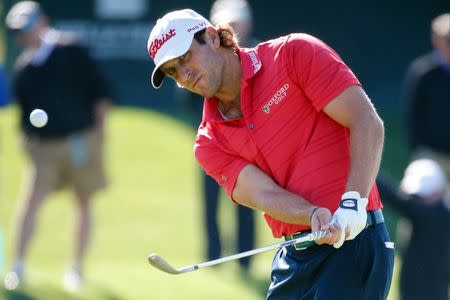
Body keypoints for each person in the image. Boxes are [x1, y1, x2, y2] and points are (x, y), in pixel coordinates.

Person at [147, 9, 393, 299]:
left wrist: (353, 202)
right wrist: (311, 213)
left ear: (212, 37)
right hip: (293, 259)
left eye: (185, 57)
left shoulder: (294, 54)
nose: (184, 75)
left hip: (354, 243)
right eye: (173, 70)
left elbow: (366, 121)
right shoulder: (209, 142)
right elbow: (264, 195)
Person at [4, 1, 112, 292]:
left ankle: (75, 269)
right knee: (30, 203)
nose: (22, 36)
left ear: (43, 22)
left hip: (81, 141)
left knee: (83, 202)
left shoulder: (72, 51)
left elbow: (100, 94)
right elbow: (24, 119)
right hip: (45, 149)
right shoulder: (24, 68)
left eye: (26, 28)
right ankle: (17, 267)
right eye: (17, 32)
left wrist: (99, 138)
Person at [176, 0, 258, 271]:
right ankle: (213, 255)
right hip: (214, 142)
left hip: (251, 145)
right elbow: (187, 99)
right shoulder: (195, 68)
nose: (233, 28)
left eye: (238, 22)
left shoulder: (258, 54)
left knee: (249, 199)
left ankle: (245, 258)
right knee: (210, 201)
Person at [377, 159, 450, 300]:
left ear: (439, 191)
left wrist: (369, 173)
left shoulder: (435, 215)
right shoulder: (442, 214)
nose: (417, 200)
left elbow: (397, 199)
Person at [403, 13, 450, 178]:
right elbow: (414, 115)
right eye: (448, 39)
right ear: (436, 41)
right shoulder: (423, 72)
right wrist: (421, 152)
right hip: (432, 153)